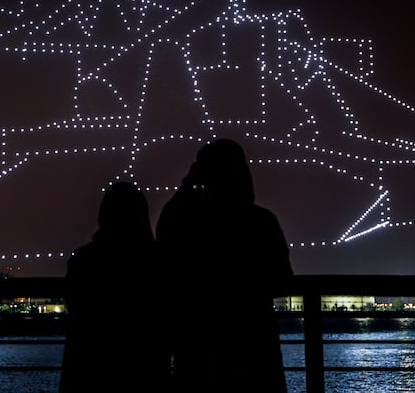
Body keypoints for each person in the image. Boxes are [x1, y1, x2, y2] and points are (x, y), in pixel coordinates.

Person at [156, 138, 293, 392]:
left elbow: (165, 236)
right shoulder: (262, 221)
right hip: (254, 342)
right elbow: (282, 279)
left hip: (199, 344)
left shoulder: (189, 223)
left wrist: (189, 186)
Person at [59, 181, 170, 392]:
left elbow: (78, 307)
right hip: (145, 369)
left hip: (88, 369)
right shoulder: (156, 261)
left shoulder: (84, 260)